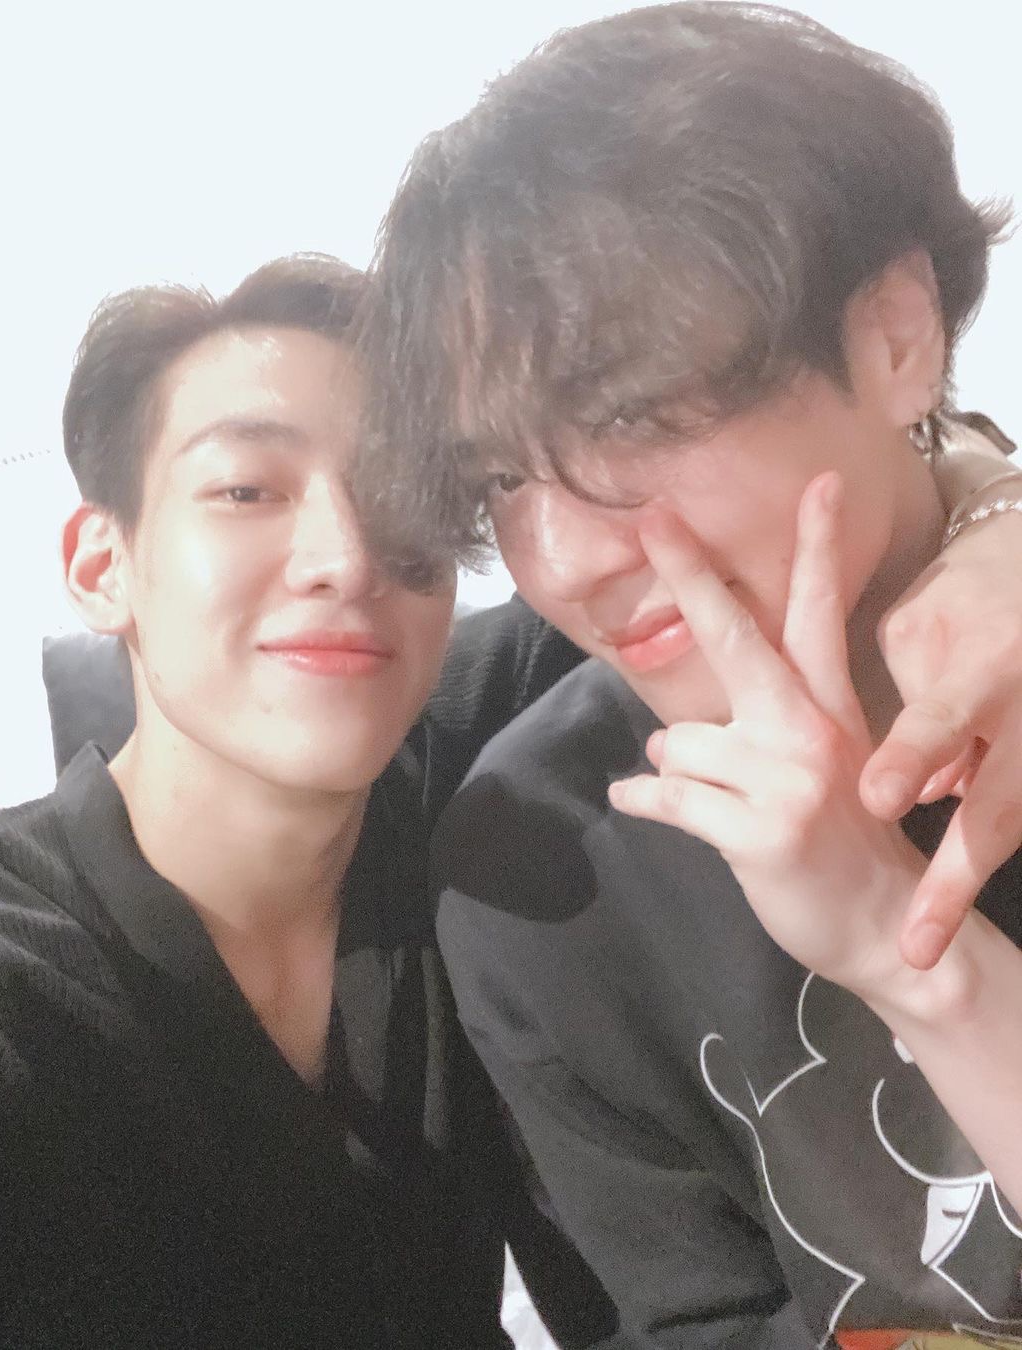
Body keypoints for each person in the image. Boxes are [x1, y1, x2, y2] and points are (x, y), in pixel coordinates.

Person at [356, 4, 1022, 1345]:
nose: (566, 561)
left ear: (895, 337)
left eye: (627, 414)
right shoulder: (539, 868)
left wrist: (914, 954)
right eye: (504, 476)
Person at [0, 254, 592, 1348]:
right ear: (103, 567)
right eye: (247, 489)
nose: (349, 556)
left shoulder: (445, 777)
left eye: (402, 495)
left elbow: (662, 560)